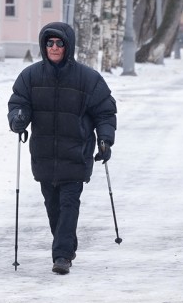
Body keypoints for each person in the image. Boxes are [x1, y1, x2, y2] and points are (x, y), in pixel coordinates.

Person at [7, 22, 117, 275]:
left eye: (59, 43)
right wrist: (18, 119)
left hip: (76, 153)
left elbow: (105, 113)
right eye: (50, 43)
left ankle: (62, 255)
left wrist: (105, 140)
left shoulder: (88, 78)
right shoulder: (30, 76)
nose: (54, 47)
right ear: (43, 46)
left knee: (69, 203)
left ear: (68, 46)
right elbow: (18, 103)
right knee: (53, 206)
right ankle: (66, 244)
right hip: (44, 154)